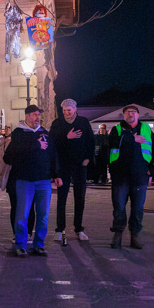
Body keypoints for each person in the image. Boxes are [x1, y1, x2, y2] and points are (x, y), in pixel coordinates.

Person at [3, 105, 62, 257]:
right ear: (27, 116)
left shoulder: (45, 133)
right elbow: (10, 156)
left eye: (39, 115)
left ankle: (39, 245)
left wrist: (56, 174)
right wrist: (35, 145)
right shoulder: (19, 133)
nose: (37, 118)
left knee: (43, 215)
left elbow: (53, 154)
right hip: (25, 180)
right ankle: (20, 244)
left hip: (43, 181)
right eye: (35, 115)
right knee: (22, 214)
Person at [49, 98, 94, 244]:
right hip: (63, 165)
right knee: (62, 198)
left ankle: (79, 228)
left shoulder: (83, 122)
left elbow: (91, 141)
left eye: (69, 110)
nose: (67, 113)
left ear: (75, 109)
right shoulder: (57, 124)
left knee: (80, 197)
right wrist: (66, 137)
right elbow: (52, 143)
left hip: (80, 165)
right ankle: (60, 229)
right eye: (64, 110)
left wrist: (88, 158)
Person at [108, 104, 152, 249]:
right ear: (123, 115)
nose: (131, 114)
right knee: (119, 207)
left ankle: (135, 235)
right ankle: (118, 234)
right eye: (128, 112)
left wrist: (153, 169)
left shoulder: (146, 129)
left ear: (138, 115)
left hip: (140, 174)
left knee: (138, 208)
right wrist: (132, 139)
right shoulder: (117, 129)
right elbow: (113, 143)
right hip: (120, 175)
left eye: (134, 112)